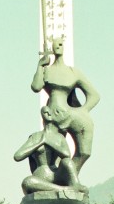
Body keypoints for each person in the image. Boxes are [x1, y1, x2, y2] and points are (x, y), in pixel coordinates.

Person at [30, 34, 99, 187]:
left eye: (60, 44)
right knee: (52, 153)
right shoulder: (47, 71)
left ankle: (67, 177)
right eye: (55, 44)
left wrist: (83, 111)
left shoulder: (73, 72)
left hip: (71, 113)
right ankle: (53, 179)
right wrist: (40, 66)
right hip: (52, 114)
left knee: (85, 152)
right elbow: (36, 87)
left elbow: (94, 95)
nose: (58, 46)